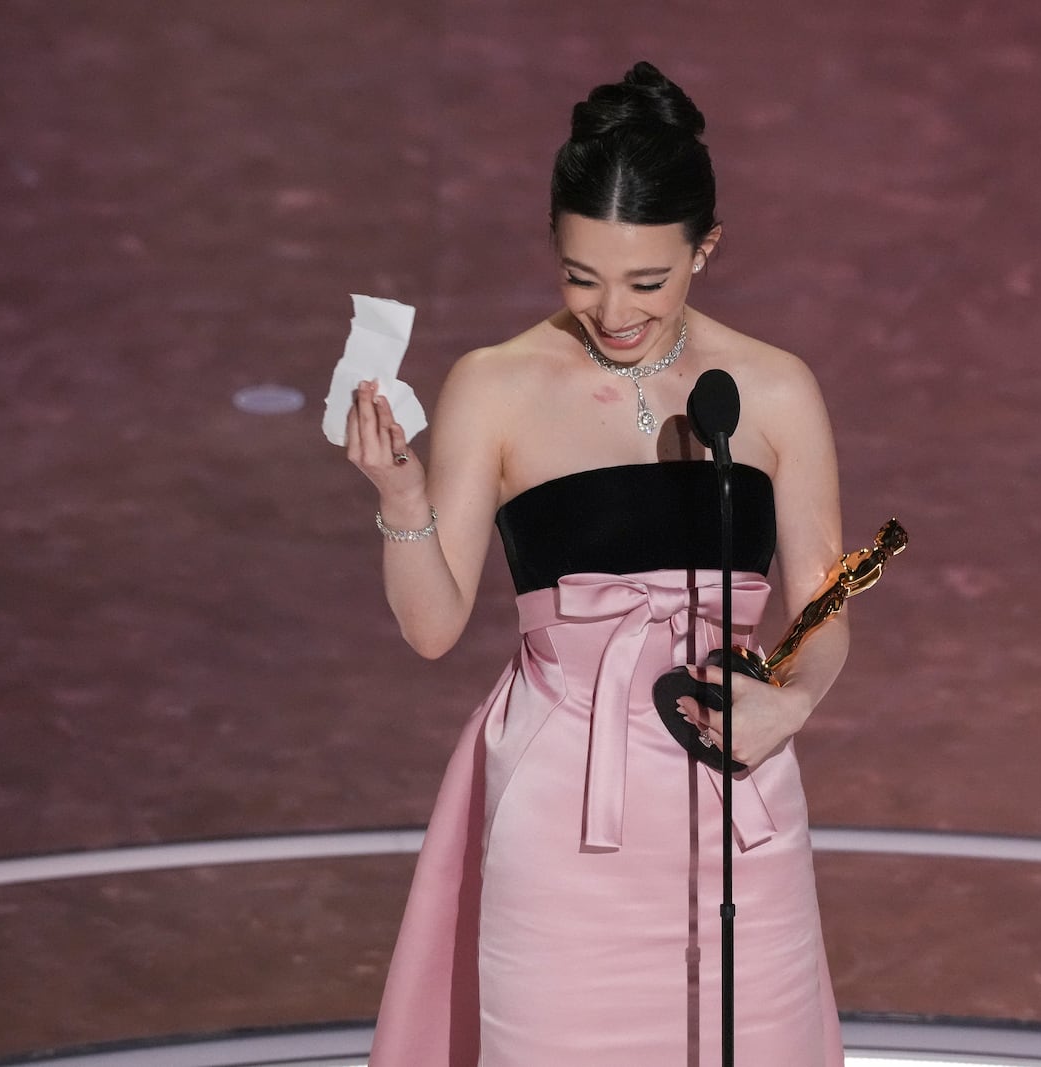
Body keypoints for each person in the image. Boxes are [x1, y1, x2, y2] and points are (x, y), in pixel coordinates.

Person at [345, 61, 848, 1067]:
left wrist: (790, 703)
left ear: (705, 246)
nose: (611, 307)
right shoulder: (494, 385)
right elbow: (433, 627)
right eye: (581, 274)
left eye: (646, 280)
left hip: (734, 801)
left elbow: (824, 603)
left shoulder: (776, 389)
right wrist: (400, 498)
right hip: (565, 811)